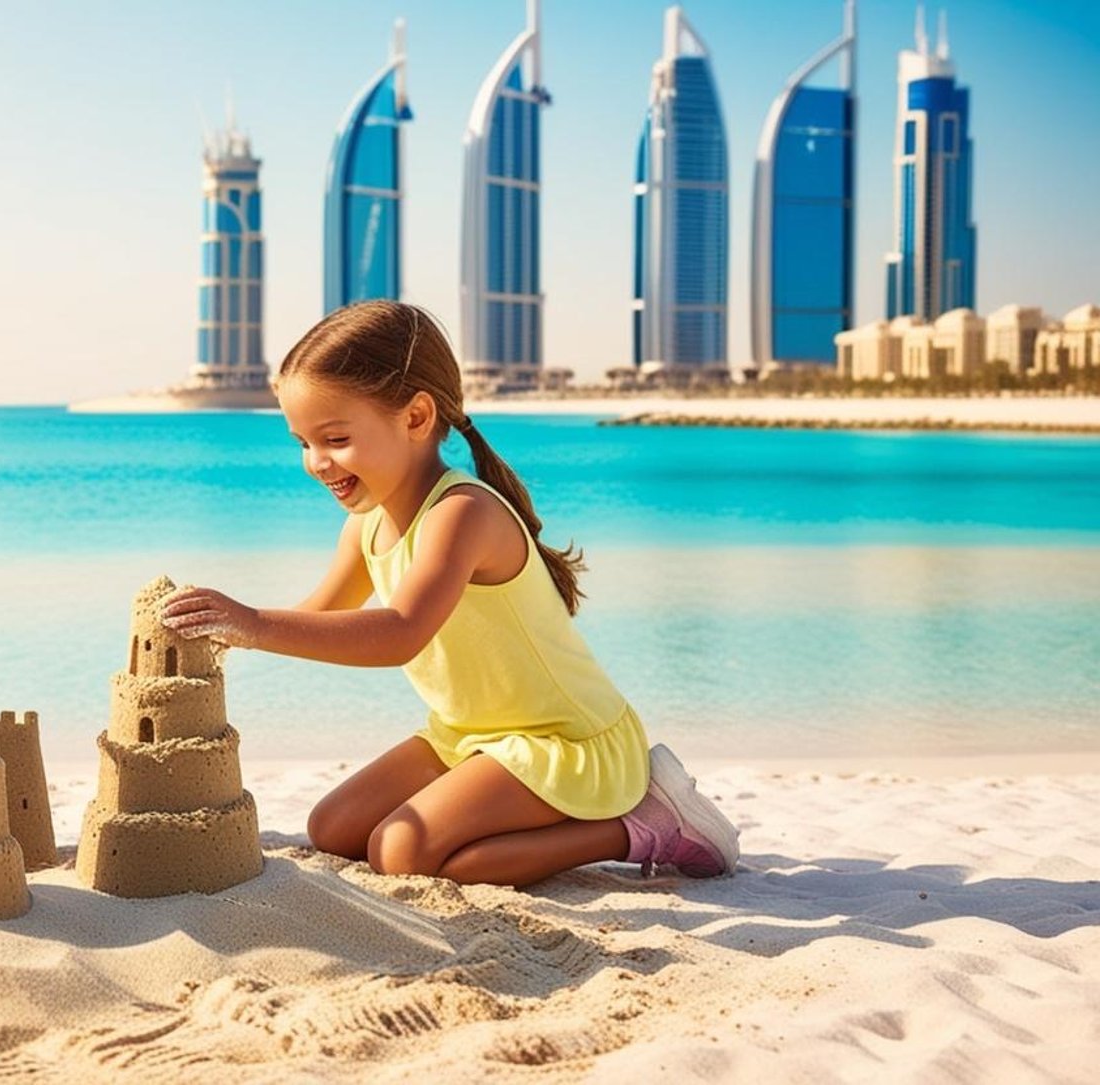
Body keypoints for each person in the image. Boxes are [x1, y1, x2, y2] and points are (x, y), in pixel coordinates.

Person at [160, 301, 739, 887]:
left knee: (401, 851)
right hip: (467, 733)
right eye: (302, 442)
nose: (316, 463)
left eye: (334, 438)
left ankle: (645, 824)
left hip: (561, 740)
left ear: (415, 418)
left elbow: (399, 633)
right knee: (333, 827)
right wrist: (218, 634)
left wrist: (254, 622)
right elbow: (321, 614)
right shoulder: (367, 524)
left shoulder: (462, 513)